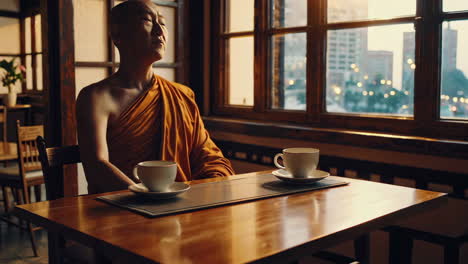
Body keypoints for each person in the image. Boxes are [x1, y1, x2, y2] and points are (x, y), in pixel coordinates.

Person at [76, 0, 234, 194]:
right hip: (121, 208)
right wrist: (146, 197)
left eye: (163, 22)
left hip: (178, 204)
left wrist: (213, 185)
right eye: (147, 20)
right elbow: (96, 167)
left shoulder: (181, 95)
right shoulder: (96, 97)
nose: (159, 30)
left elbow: (207, 156)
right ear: (117, 35)